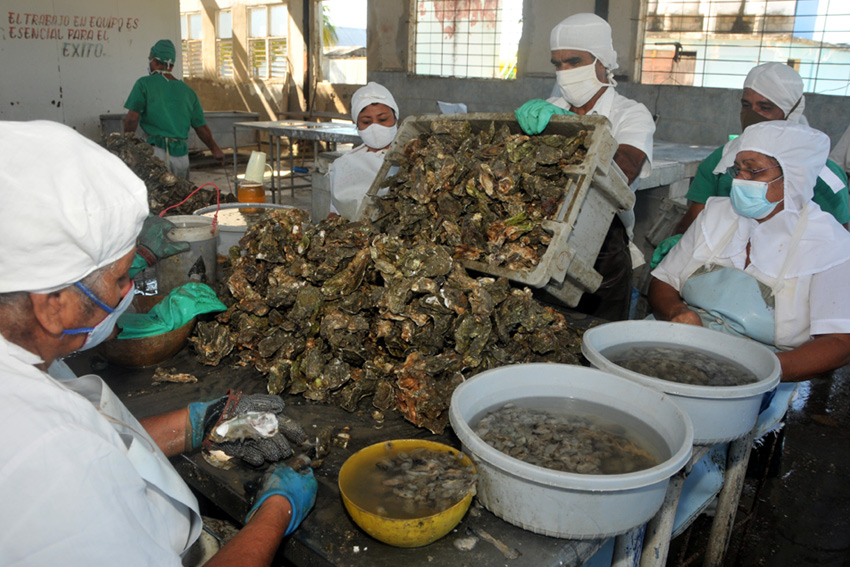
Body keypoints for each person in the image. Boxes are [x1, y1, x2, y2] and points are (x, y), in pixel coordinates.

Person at [0, 120, 316, 567]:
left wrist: (198, 423)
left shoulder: (20, 355)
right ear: (52, 306)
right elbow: (72, 451)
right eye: (122, 276)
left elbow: (101, 440)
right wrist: (275, 512)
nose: (130, 290)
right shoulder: (48, 461)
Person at [650, 120, 850, 383]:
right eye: (738, 169)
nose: (740, 181)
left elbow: (839, 342)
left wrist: (759, 371)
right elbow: (663, 280)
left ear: (793, 176)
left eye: (754, 172)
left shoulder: (829, 244)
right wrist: (675, 311)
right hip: (682, 344)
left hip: (769, 368)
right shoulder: (716, 215)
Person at [515, 13, 656, 321]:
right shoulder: (547, 110)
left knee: (594, 337)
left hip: (602, 249)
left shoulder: (629, 114)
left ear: (602, 62)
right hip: (542, 239)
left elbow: (625, 169)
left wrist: (572, 129)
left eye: (574, 61)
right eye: (558, 64)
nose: (565, 72)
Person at [669, 62, 849, 240]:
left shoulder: (823, 174)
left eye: (765, 107)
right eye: (746, 105)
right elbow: (693, 222)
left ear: (791, 111)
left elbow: (838, 243)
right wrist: (677, 248)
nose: (752, 115)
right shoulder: (721, 161)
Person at [123, 39, 226, 179]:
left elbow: (131, 119)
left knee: (156, 197)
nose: (149, 64)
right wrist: (215, 149)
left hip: (156, 154)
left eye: (150, 60)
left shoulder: (144, 84)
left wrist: (126, 144)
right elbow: (201, 128)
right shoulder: (188, 92)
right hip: (182, 158)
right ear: (171, 65)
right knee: (180, 197)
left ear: (157, 62)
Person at [328, 81, 399, 220]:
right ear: (357, 125)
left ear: (395, 118)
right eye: (366, 122)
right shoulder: (344, 165)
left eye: (383, 119)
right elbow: (335, 213)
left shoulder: (410, 158)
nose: (375, 127)